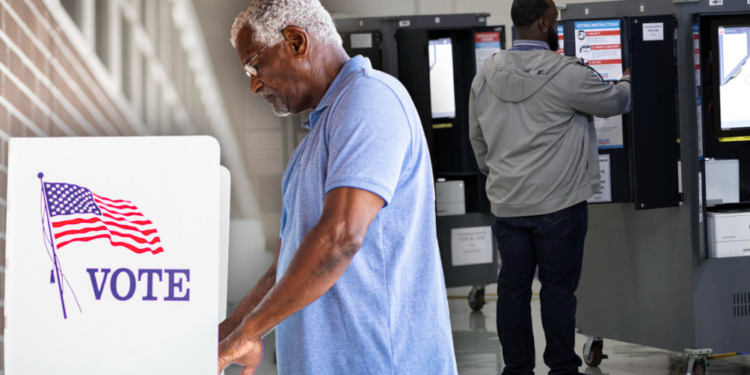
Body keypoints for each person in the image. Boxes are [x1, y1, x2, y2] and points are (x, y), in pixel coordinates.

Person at [217, 1, 457, 374]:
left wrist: (248, 333)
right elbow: (285, 265)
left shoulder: (370, 99)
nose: (254, 84)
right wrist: (226, 335)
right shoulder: (315, 141)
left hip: (379, 363)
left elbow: (341, 236)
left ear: (296, 41)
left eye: (254, 64)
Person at [468, 0, 631, 374]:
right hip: (559, 207)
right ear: (544, 23)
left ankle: (517, 369)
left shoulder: (485, 74)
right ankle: (561, 368)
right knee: (557, 292)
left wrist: (500, 180)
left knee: (512, 291)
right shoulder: (566, 74)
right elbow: (616, 101)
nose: (556, 25)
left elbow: (477, 139)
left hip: (508, 207)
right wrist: (629, 77)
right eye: (555, 19)